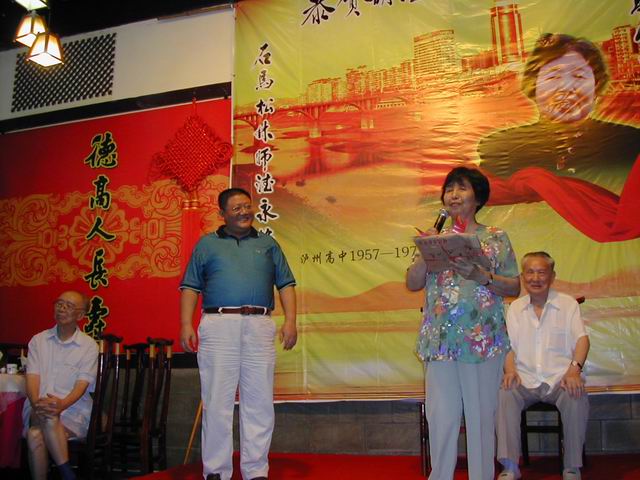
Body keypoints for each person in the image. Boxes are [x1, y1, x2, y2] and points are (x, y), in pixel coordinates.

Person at [406, 166, 520, 480]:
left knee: (480, 418)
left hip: (481, 341)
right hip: (440, 341)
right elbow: (413, 283)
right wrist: (424, 252)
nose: (453, 195)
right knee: (441, 418)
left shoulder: (495, 237)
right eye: (449, 189)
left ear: (478, 197)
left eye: (462, 188)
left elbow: (514, 286)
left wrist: (482, 276)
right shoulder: (436, 238)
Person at [180, 187, 297, 480]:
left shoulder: (268, 244)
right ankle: (216, 470)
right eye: (236, 208)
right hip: (219, 324)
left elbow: (286, 284)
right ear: (222, 214)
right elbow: (190, 287)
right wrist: (185, 324)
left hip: (259, 325)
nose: (244, 212)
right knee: (217, 400)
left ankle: (256, 470)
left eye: (247, 206)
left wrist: (291, 321)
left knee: (259, 400)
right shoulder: (206, 244)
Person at [479, 33, 640, 195]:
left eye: (578, 76)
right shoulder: (502, 148)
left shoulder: (630, 142)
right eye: (554, 77)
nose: (566, 87)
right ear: (534, 86)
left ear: (596, 86)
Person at [496, 252, 589, 480]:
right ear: (522, 276)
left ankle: (572, 466)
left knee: (576, 394)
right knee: (504, 394)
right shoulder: (515, 308)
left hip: (560, 379)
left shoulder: (567, 305)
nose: (535, 278)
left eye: (541, 272)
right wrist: (510, 371)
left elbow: (582, 340)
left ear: (552, 276)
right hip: (524, 379)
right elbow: (508, 346)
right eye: (530, 272)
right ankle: (510, 467)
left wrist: (574, 370)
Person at [23, 291, 98, 480]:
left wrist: (61, 405)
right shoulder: (38, 341)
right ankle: (67, 474)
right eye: (59, 303)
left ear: (80, 315)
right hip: (38, 408)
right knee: (49, 414)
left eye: (69, 306)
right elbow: (32, 378)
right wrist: (36, 403)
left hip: (73, 412)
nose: (62, 308)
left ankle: (65, 474)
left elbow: (81, 386)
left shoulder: (89, 345)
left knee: (35, 435)